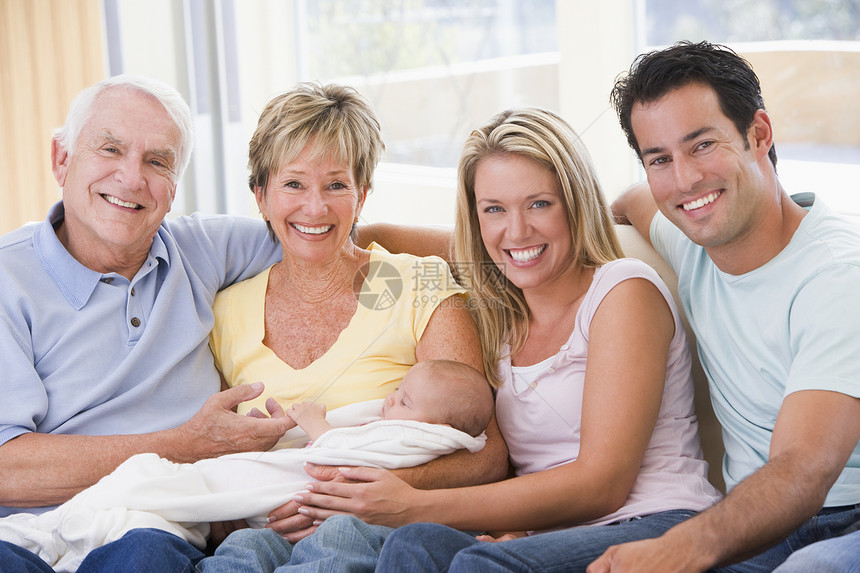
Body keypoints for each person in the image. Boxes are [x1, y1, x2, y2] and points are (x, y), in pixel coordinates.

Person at [247, 107, 722, 573]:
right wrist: (345, 234)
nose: (517, 231)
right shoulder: (501, 317)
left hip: (655, 522)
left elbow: (603, 485)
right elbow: (390, 238)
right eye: (494, 209)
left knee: (469, 558)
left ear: (575, 202)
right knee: (415, 546)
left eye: (540, 203)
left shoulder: (622, 292)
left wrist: (412, 504)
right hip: (545, 535)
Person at [0, 74, 295, 573]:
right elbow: (7, 470)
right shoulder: (8, 279)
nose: (132, 178)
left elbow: (327, 234)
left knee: (143, 556)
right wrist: (184, 447)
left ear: (174, 186)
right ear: (62, 159)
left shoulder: (203, 249)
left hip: (152, 531)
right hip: (28, 534)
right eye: (110, 149)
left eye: (157, 161)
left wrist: (473, 249)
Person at [591, 40, 860, 572]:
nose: (685, 180)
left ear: (758, 134)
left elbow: (805, 468)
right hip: (753, 527)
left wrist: (681, 548)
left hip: (844, 518)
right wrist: (386, 240)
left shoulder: (837, 276)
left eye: (702, 145)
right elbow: (629, 200)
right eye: (659, 158)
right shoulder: (689, 239)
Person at [0, 360, 494, 573]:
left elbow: (340, 459)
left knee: (151, 517)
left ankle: (62, 530)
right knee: (233, 537)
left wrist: (323, 437)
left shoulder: (422, 432)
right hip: (249, 511)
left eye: (402, 399)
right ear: (260, 195)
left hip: (327, 512)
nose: (389, 399)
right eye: (293, 183)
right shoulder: (228, 277)